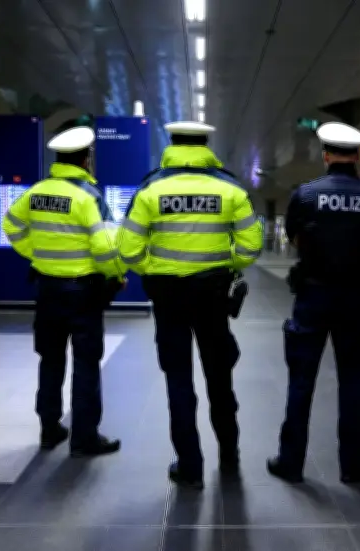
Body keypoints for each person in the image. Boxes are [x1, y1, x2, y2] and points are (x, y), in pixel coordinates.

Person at [117, 121, 263, 489]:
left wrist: (156, 270)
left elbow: (128, 249)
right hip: (213, 297)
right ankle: (229, 452)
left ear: (173, 144)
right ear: (206, 144)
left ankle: (189, 464)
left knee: (178, 379)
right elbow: (250, 246)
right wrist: (226, 264)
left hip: (167, 299)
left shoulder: (151, 188)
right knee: (220, 376)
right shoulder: (229, 188)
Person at [268, 121, 360, 484]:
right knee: (352, 382)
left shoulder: (305, 195)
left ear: (326, 156)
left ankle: (291, 463)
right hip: (355, 300)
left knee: (301, 381)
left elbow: (292, 237)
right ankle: (352, 466)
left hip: (313, 297)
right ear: (358, 158)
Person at [2, 125, 124, 457]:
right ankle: (84, 438)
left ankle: (49, 429)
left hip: (47, 289)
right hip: (83, 292)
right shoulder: (88, 197)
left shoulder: (36, 192)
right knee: (86, 364)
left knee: (50, 360)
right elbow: (104, 247)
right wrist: (117, 273)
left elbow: (10, 224)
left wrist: (36, 253)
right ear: (86, 160)